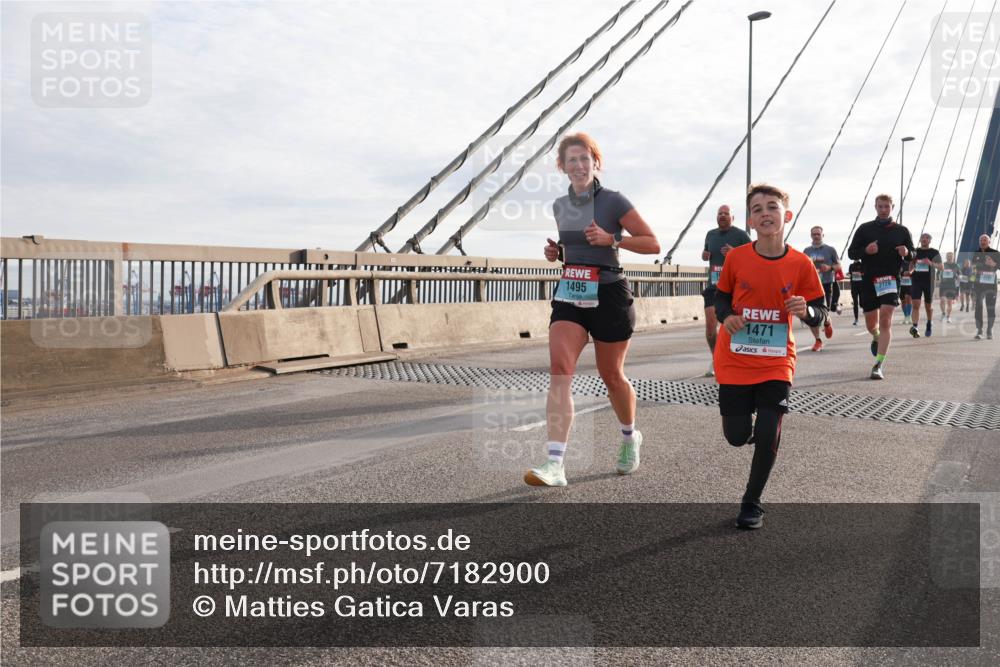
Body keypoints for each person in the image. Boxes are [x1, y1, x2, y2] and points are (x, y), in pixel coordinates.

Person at [525, 133, 660, 487]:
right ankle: (555, 463)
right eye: (572, 160)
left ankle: (631, 437)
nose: (579, 166)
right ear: (562, 167)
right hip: (570, 292)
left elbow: (652, 243)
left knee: (611, 375)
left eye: (585, 159)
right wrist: (558, 255)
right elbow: (575, 251)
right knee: (559, 370)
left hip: (609, 294)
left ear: (595, 162)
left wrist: (613, 239)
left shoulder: (614, 201)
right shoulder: (559, 206)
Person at [714, 183, 827, 529]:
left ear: (786, 215)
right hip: (734, 358)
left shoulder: (801, 263)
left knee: (768, 431)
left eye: (772, 207)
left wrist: (806, 311)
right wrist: (726, 316)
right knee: (736, 435)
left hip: (777, 360)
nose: (765, 213)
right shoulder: (736, 258)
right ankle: (748, 430)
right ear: (749, 220)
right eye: (758, 208)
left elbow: (821, 311)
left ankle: (752, 502)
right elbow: (720, 298)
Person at [847, 193, 914, 380]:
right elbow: (851, 253)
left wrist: (907, 252)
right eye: (880, 206)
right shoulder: (864, 229)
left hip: (890, 280)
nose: (884, 210)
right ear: (875, 207)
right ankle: (876, 336)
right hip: (868, 280)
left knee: (885, 320)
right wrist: (865, 251)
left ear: (893, 207)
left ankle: (878, 364)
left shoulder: (902, 231)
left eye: (887, 206)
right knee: (871, 324)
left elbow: (912, 253)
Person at [701, 205, 751, 375]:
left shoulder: (741, 235)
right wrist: (705, 255)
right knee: (710, 329)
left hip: (734, 288)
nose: (722, 216)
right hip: (713, 286)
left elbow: (754, 256)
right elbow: (705, 253)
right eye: (720, 213)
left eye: (726, 213)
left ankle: (736, 359)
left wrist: (734, 252)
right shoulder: (711, 234)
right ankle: (716, 360)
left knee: (731, 326)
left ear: (732, 217)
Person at [802, 226, 841, 351]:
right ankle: (818, 340)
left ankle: (827, 321)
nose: (816, 236)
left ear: (823, 235)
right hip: (811, 286)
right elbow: (801, 268)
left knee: (824, 311)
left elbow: (839, 266)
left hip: (826, 283)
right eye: (814, 234)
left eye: (818, 234)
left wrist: (829, 268)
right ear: (811, 235)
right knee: (810, 314)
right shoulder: (806, 251)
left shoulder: (830, 250)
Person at [909, 233, 943, 338]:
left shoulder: (934, 252)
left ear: (930, 241)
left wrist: (931, 263)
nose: (924, 239)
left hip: (929, 281)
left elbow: (941, 267)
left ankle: (929, 323)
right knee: (915, 304)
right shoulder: (915, 252)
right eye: (922, 237)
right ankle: (915, 327)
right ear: (920, 240)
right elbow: (911, 264)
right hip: (916, 281)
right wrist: (910, 271)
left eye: (927, 238)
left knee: (928, 307)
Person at [971, 234, 999, 340]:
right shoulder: (976, 253)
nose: (983, 241)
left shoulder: (995, 253)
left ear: (989, 242)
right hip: (978, 284)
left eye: (985, 240)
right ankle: (979, 330)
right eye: (981, 240)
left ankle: (989, 330)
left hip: (991, 284)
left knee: (990, 307)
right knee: (978, 307)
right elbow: (973, 268)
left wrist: (993, 264)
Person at [939, 251, 960, 323]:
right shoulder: (943, 265)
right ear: (946, 257)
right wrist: (939, 279)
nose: (949, 257)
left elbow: (960, 275)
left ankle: (948, 317)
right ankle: (943, 314)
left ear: (953, 257)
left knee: (949, 302)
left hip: (951, 286)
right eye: (948, 256)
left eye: (951, 256)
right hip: (943, 285)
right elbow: (938, 273)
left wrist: (959, 278)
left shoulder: (956, 266)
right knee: (942, 300)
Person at [848, 259, 864, 325]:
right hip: (854, 286)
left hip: (861, 286)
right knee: (855, 303)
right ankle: (856, 319)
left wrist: (859, 274)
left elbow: (864, 273)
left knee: (861, 303)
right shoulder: (851, 266)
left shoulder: (862, 265)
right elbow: (850, 274)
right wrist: (850, 275)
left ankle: (865, 310)